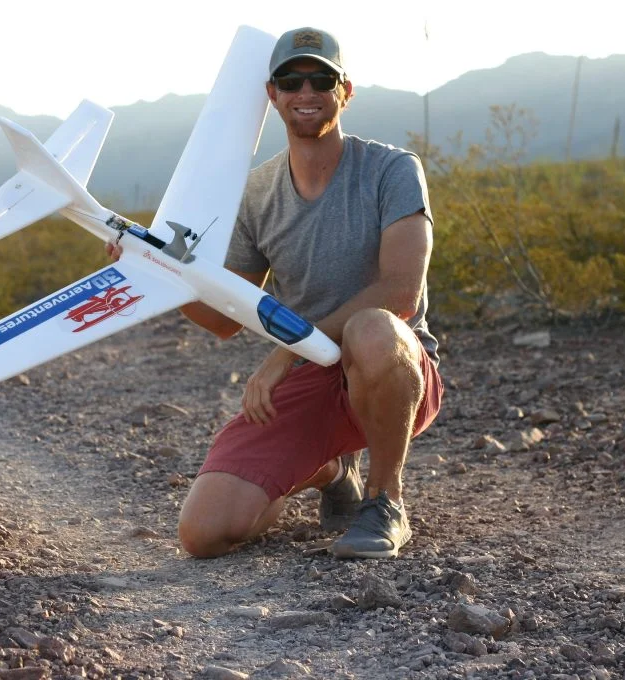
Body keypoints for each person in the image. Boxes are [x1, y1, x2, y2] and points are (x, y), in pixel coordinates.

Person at [107, 27, 442, 559]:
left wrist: (283, 355)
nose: (305, 93)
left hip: (393, 366)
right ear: (273, 95)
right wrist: (156, 274)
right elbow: (224, 318)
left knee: (371, 327)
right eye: (291, 81)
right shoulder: (258, 192)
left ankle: (385, 502)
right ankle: (333, 470)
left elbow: (401, 291)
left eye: (320, 80)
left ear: (345, 90)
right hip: (312, 370)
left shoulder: (392, 170)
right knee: (204, 533)